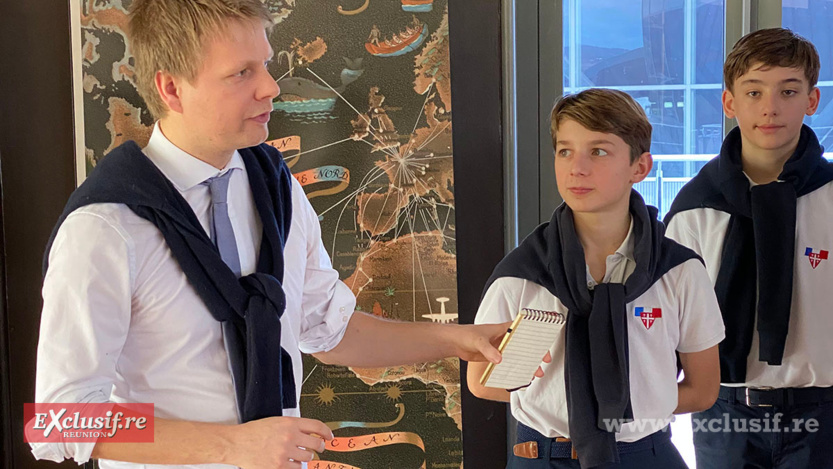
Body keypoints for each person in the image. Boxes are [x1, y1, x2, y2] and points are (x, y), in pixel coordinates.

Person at [30, 1, 508, 468]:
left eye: (266, 65)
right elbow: (60, 422)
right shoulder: (104, 227)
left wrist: (462, 341)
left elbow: (328, 330)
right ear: (172, 89)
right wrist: (232, 447)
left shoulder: (276, 188)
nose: (271, 87)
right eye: (241, 73)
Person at [468, 88, 725, 469]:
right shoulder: (522, 274)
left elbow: (703, 391)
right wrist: (577, 404)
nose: (577, 168)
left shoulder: (679, 271)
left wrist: (633, 403)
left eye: (599, 151)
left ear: (640, 167)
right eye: (565, 151)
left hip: (645, 455)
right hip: (544, 456)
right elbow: (481, 381)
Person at [665, 28, 833, 469]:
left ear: (812, 101)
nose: (770, 107)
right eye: (753, 92)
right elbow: (667, 323)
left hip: (824, 412)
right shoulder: (693, 210)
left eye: (788, 90)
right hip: (725, 411)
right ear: (729, 102)